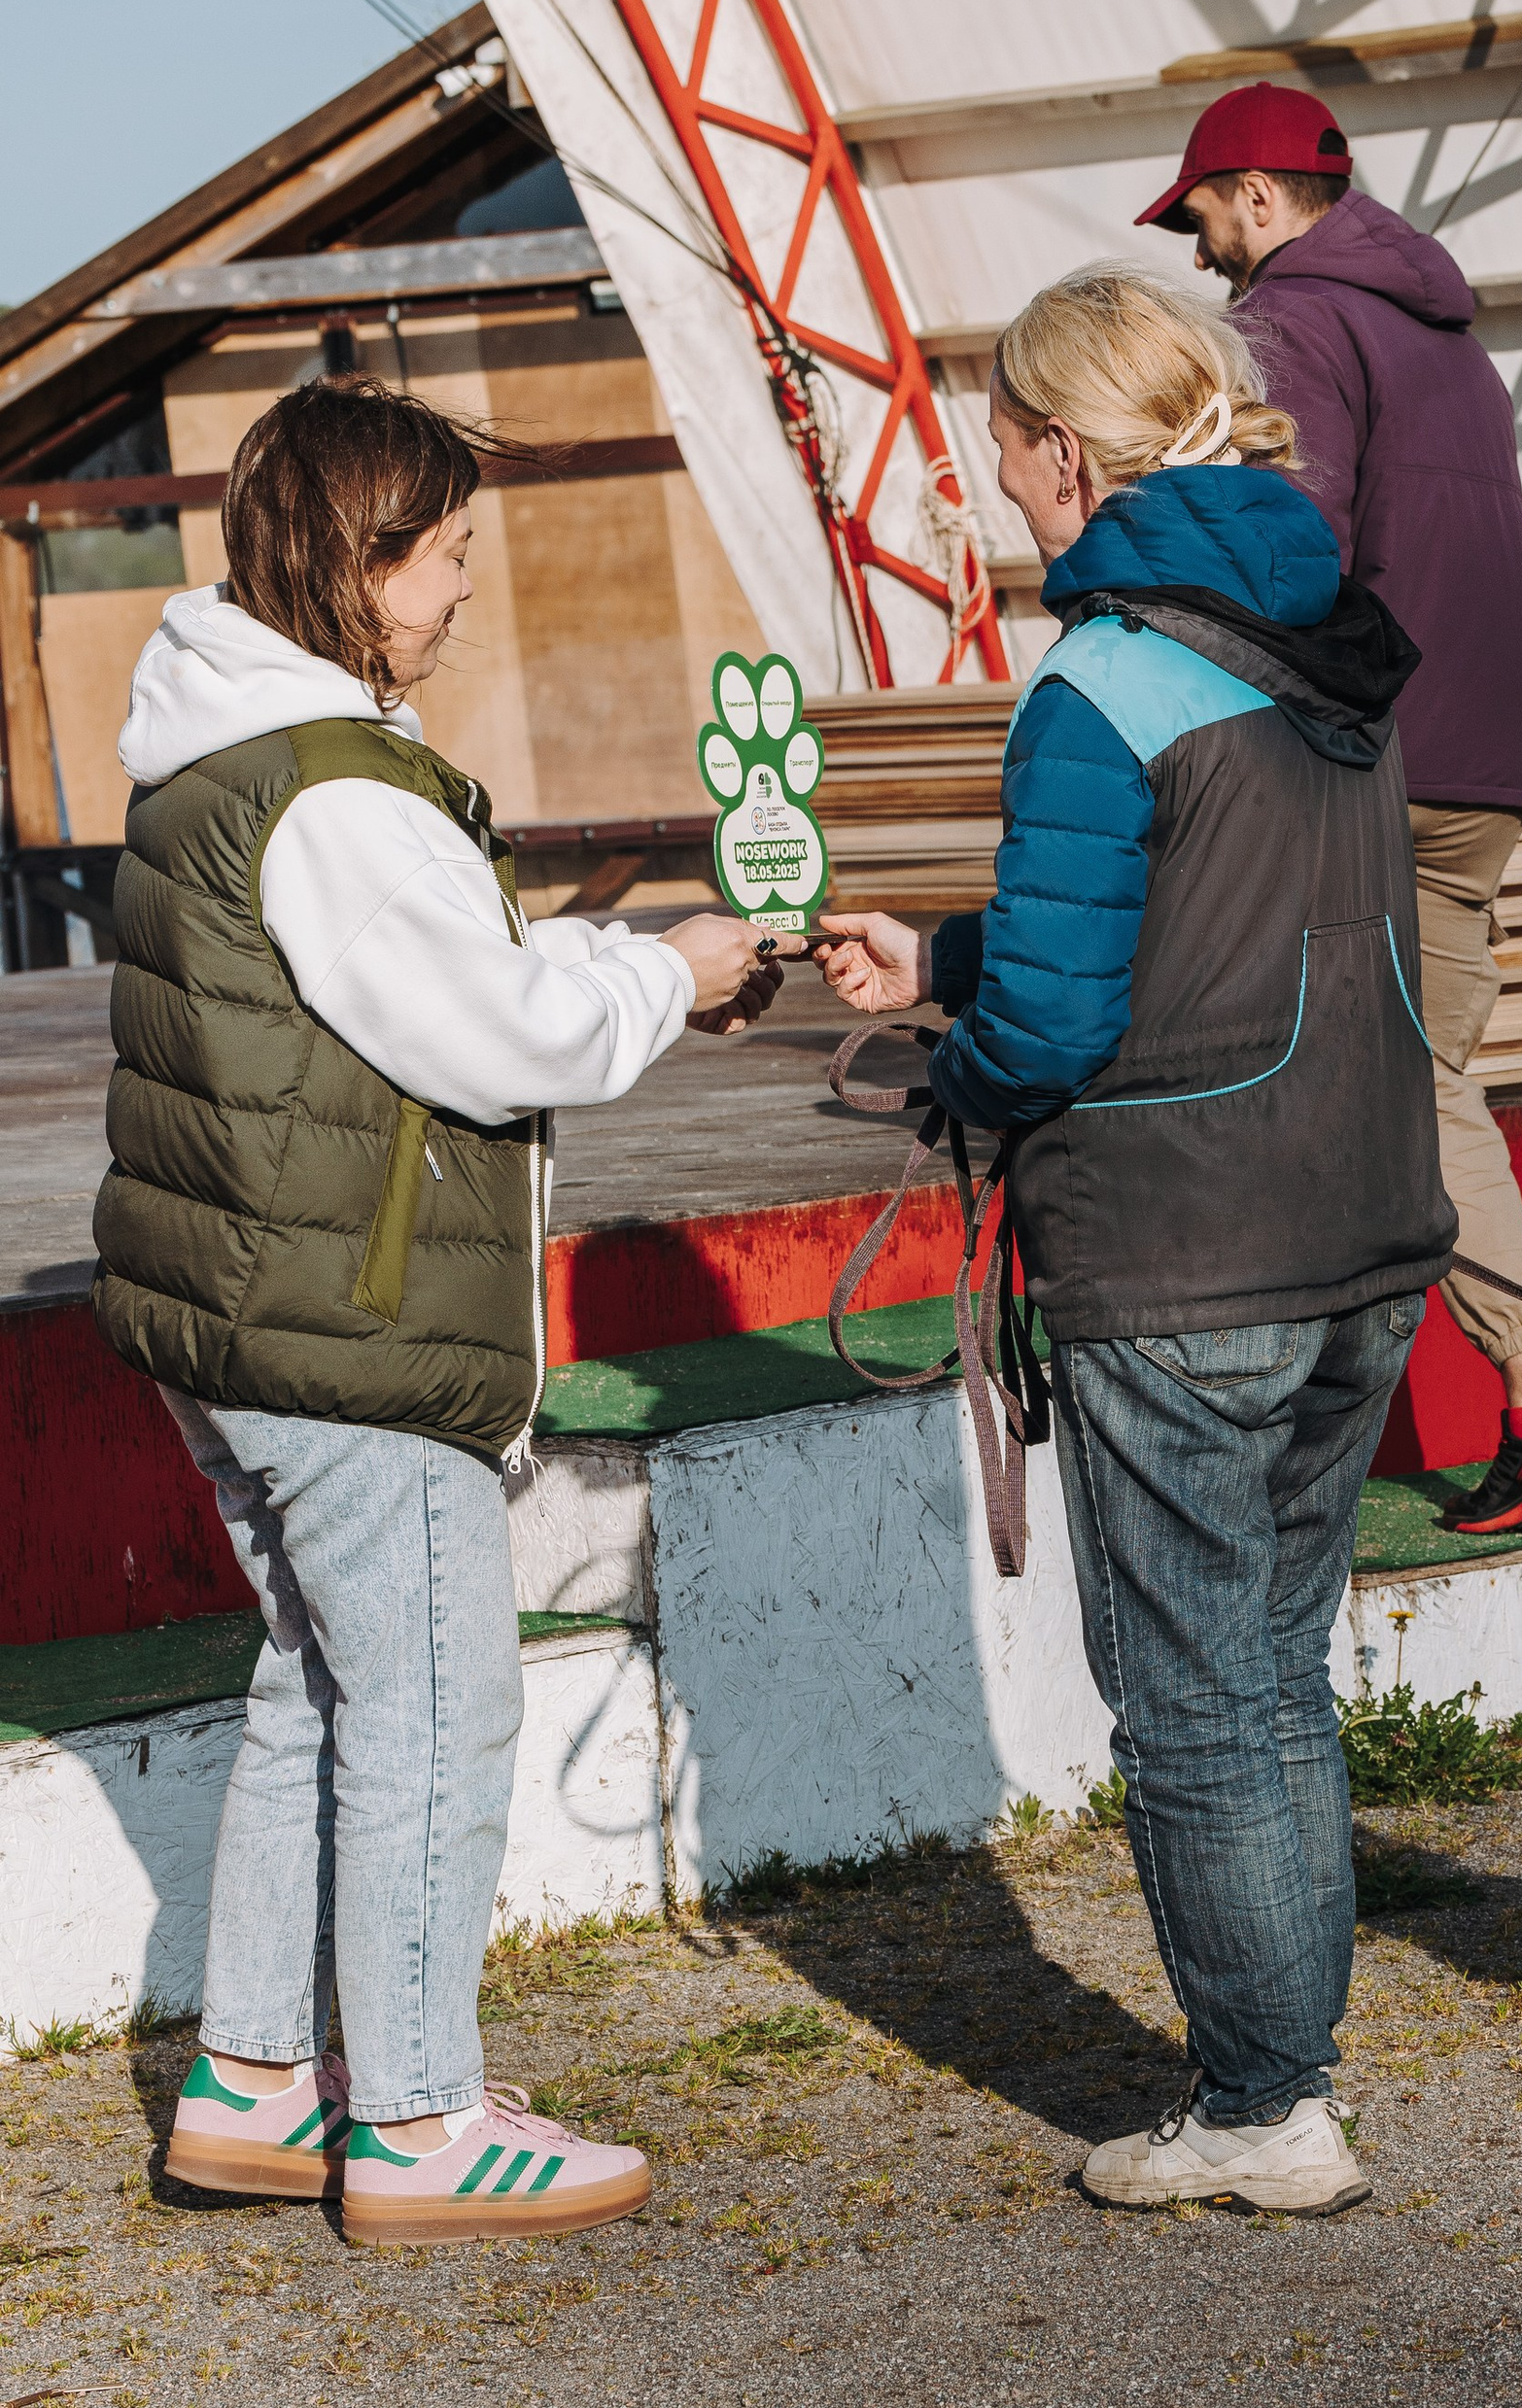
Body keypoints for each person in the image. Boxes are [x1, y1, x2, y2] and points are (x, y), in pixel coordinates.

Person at [93, 377, 774, 2245]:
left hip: (245, 1315)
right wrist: (661, 973)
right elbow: (490, 1026)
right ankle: (411, 2115)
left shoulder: (222, 752)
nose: (465, 588)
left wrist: (624, 963)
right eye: (444, 552)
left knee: (321, 1684)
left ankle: (252, 2080)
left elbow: (415, 982)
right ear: (357, 561)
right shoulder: (334, 787)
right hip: (354, 1336)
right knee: (437, 1706)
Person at [821, 272, 1451, 2217]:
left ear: (1065, 453)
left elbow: (1067, 1028)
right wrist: (938, 954)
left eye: (1000, 432)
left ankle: (1266, 2104)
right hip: (1355, 1229)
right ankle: (1290, 2077)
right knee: (1272, 1671)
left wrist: (959, 1059)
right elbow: (1206, 918)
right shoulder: (1311, 638)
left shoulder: (1092, 682)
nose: (984, 467)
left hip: (1180, 1251)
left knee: (1196, 1697)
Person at [1135, 80, 1522, 1537]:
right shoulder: (1449, 337)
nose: (1203, 249)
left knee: (1343, 1084)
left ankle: (1464, 1401)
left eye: (1207, 213)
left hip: (1373, 759)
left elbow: (1302, 536)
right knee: (1425, 1080)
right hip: (1489, 771)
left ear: (1265, 199)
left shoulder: (1291, 319)